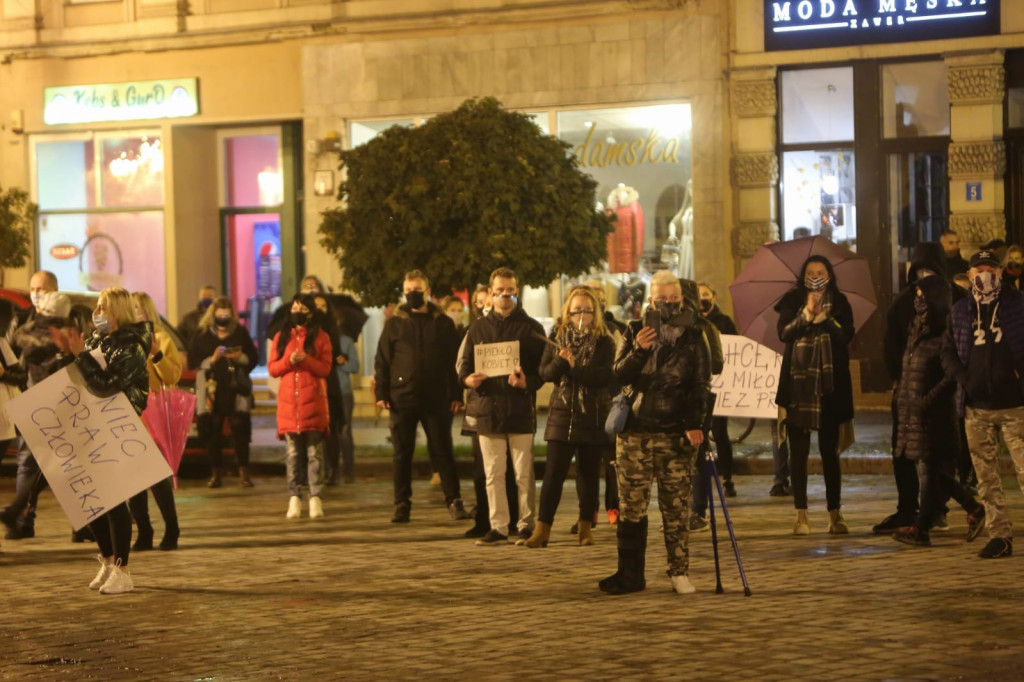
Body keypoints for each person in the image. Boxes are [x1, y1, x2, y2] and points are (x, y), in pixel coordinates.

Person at [598, 269, 711, 596]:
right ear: (650, 300)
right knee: (631, 506)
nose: (667, 305)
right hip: (635, 433)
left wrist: (695, 423)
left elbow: (701, 383)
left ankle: (679, 571)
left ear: (681, 298)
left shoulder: (694, 334)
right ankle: (630, 573)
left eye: (673, 299)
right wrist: (639, 350)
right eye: (660, 299)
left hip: (675, 433)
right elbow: (618, 375)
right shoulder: (635, 329)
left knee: (676, 508)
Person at [52, 287, 152, 595]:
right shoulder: (95, 340)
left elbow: (107, 386)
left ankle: (123, 569)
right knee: (89, 498)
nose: (97, 314)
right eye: (96, 308)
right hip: (89, 423)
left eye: (104, 309)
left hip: (116, 424)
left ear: (119, 312)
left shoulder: (132, 345)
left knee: (112, 499)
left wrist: (81, 356)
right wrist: (66, 354)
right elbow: (74, 378)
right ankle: (108, 560)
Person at [890, 277, 986, 547]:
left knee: (930, 470)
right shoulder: (915, 329)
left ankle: (922, 528)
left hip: (935, 414)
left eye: (924, 294)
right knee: (934, 473)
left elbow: (950, 375)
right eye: (916, 294)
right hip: (913, 410)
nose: (918, 300)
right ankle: (973, 508)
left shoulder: (946, 331)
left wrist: (926, 399)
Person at [942, 249, 1024, 559]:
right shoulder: (961, 310)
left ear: (1001, 272)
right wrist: (964, 378)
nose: (985, 273)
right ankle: (1000, 535)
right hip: (977, 407)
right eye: (979, 268)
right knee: (986, 478)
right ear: (970, 274)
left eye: (991, 267)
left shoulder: (1017, 304)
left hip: (1016, 405)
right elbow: (947, 351)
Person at [375, 270, 470, 523]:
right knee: (401, 453)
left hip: (436, 397)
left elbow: (454, 362)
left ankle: (454, 500)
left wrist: (456, 394)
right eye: (408, 290)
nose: (412, 294)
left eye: (417, 290)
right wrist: (381, 392)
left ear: (427, 292)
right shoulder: (395, 323)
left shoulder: (443, 323)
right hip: (402, 397)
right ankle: (402, 504)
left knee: (442, 451)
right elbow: (383, 360)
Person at [460, 266, 546, 545]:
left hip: (519, 407)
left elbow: (543, 372)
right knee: (493, 473)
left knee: (523, 473)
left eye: (510, 291)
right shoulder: (478, 328)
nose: (505, 296)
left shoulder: (532, 328)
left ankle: (525, 524)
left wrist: (527, 383)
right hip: (488, 407)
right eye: (500, 292)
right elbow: (465, 366)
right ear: (490, 292)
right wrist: (467, 379)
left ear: (517, 291)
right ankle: (498, 527)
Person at [524, 287, 614, 548]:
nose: (581, 315)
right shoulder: (557, 335)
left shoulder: (604, 341)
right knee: (553, 474)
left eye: (587, 309)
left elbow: (603, 377)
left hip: (592, 414)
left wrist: (575, 368)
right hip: (562, 414)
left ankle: (585, 526)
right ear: (568, 312)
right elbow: (545, 373)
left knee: (587, 474)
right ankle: (543, 529)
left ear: (595, 312)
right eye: (577, 310)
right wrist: (562, 362)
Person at [775, 255, 855, 536]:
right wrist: (807, 315)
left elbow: (846, 336)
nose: (816, 276)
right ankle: (801, 515)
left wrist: (827, 320)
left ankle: (835, 514)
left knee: (829, 453)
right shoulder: (792, 299)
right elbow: (784, 333)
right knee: (798, 454)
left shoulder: (840, 302)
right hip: (799, 389)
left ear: (830, 275)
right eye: (811, 272)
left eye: (821, 272)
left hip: (830, 389)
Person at [874, 242, 947, 535]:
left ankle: (937, 508)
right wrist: (897, 379)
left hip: (940, 390)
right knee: (903, 451)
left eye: (930, 271)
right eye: (919, 272)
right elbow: (891, 344)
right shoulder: (903, 303)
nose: (924, 279)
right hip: (906, 390)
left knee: (938, 454)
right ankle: (907, 508)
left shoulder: (954, 299)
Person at [0, 282, 70, 541]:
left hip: (35, 402)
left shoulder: (25, 329)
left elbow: (15, 355)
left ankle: (19, 512)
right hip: (58, 403)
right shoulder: (63, 332)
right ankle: (21, 513)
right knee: (57, 464)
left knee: (34, 464)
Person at [269, 294, 333, 519]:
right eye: (294, 307)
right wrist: (289, 361)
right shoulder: (281, 337)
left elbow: (325, 368)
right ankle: (294, 496)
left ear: (310, 313)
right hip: (289, 405)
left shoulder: (322, 337)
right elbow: (273, 368)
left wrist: (305, 359)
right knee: (293, 453)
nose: (297, 311)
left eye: (302, 308)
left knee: (314, 453)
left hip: (313, 402)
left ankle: (316, 496)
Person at [128, 292, 183, 551]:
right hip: (129, 414)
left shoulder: (160, 338)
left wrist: (157, 355)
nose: (134, 312)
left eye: (137, 308)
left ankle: (171, 527)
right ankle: (144, 530)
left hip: (153, 416)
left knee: (158, 476)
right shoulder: (124, 340)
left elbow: (173, 376)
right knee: (134, 478)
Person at [188, 297, 258, 488]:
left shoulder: (240, 332)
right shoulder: (202, 335)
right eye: (220, 315)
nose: (223, 319)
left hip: (235, 388)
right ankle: (215, 472)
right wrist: (213, 358)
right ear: (213, 315)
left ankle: (244, 470)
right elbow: (192, 362)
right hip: (212, 389)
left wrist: (240, 357)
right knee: (213, 430)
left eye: (227, 315)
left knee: (240, 428)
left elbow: (253, 358)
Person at [696, 281, 738, 497]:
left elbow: (737, 347)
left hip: (721, 385)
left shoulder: (723, 321)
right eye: (699, 294)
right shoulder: (693, 322)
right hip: (700, 387)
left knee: (720, 432)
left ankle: (727, 477)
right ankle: (702, 477)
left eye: (706, 294)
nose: (702, 298)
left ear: (713, 296)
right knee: (700, 434)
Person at [312, 293, 347, 486]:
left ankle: (333, 469)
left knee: (331, 430)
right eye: (315, 306)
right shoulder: (306, 332)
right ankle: (314, 470)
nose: (319, 310)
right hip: (311, 384)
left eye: (323, 307)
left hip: (329, 384)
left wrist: (339, 357)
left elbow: (336, 353)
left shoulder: (332, 331)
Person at [324, 300, 359, 483]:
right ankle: (331, 469)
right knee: (326, 432)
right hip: (325, 390)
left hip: (343, 390)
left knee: (344, 431)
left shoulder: (346, 342)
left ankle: (349, 469)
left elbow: (355, 366)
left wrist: (343, 363)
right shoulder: (320, 340)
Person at [177, 285, 216, 351]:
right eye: (204, 296)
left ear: (215, 298)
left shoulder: (219, 318)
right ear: (200, 298)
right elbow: (178, 335)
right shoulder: (189, 318)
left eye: (209, 296)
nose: (206, 298)